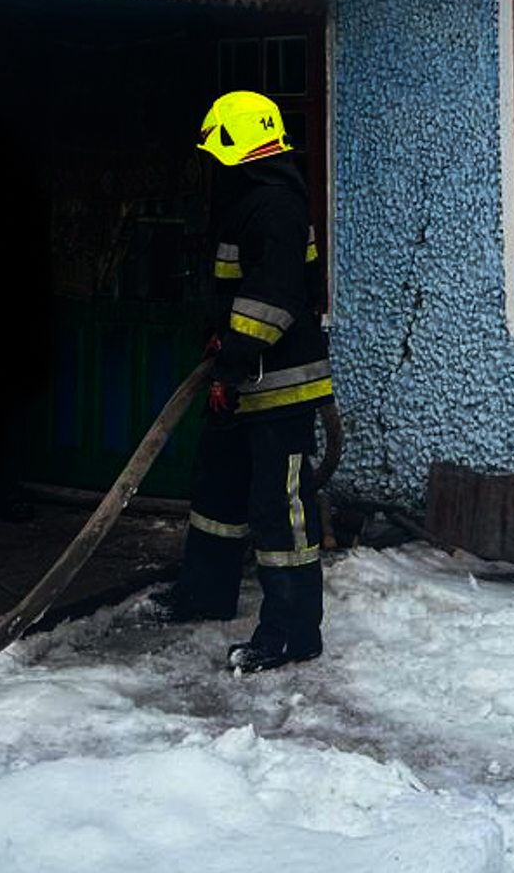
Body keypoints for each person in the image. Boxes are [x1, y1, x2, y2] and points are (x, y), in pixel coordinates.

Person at [150, 89, 332, 672]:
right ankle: (204, 596)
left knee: (279, 510)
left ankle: (292, 632)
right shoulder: (249, 199)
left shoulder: (275, 204)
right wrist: (220, 346)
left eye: (216, 146)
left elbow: (270, 298)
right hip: (242, 377)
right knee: (218, 490)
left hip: (277, 385)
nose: (211, 158)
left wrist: (231, 360)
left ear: (235, 142)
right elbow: (234, 287)